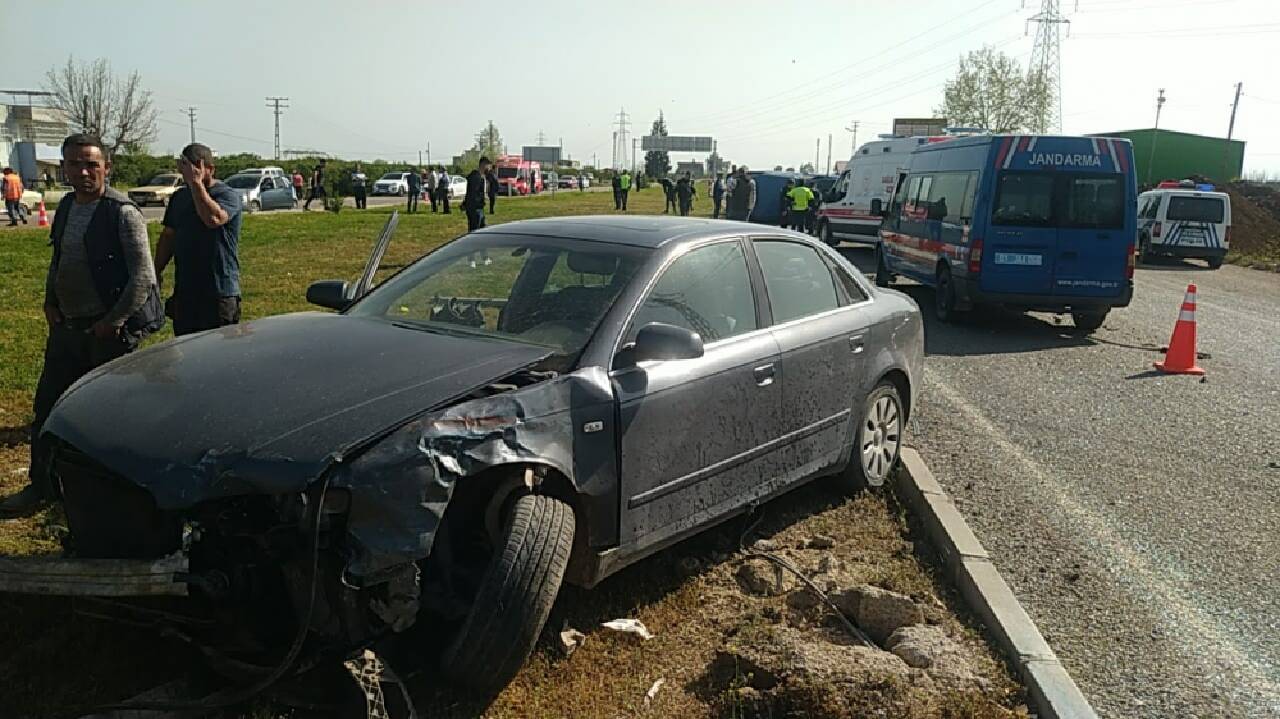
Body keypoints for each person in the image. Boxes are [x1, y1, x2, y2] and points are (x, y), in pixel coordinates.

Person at [0, 133, 162, 517]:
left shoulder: (122, 213)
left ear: (106, 167)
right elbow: (59, 259)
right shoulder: (70, 206)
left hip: (108, 333)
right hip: (67, 330)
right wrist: (49, 301)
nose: (84, 171)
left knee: (108, 417)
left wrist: (113, 322)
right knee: (49, 411)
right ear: (65, 168)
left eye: (92, 164)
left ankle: (111, 497)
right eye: (75, 164)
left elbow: (144, 278)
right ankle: (42, 487)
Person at [155, 142, 244, 337]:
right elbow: (169, 235)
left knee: (218, 354)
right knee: (187, 353)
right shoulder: (179, 197)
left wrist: (196, 184)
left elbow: (213, 219)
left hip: (219, 291)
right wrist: (156, 270)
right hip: (186, 291)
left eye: (195, 167)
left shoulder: (227, 195)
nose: (189, 173)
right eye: (185, 166)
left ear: (210, 169)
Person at [463, 156, 491, 232]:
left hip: (479, 208)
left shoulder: (481, 177)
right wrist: (481, 200)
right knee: (475, 231)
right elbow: (473, 194)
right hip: (475, 209)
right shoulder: (476, 177)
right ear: (483, 165)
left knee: (483, 230)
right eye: (488, 165)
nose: (489, 167)